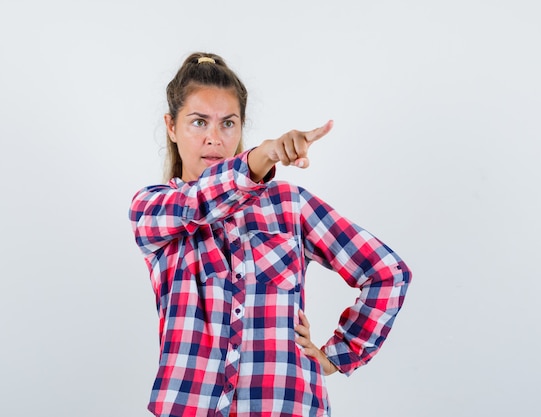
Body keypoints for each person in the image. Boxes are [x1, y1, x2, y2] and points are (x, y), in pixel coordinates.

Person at [129, 52, 412, 417]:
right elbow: (198, 202)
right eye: (199, 122)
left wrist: (337, 356)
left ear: (241, 126)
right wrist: (262, 156)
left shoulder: (290, 206)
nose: (214, 138)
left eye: (227, 124)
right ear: (172, 126)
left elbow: (388, 272)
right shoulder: (153, 209)